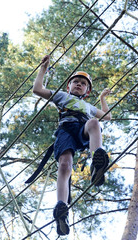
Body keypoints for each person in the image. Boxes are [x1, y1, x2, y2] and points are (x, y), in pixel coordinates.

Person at [32, 55, 112, 236]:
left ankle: (96, 162)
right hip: (66, 131)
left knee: (94, 123)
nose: (78, 85)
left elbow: (107, 116)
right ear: (68, 86)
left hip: (81, 129)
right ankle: (62, 208)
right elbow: (37, 89)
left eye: (83, 84)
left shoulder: (89, 107)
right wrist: (43, 69)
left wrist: (102, 98)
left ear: (87, 91)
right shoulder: (61, 96)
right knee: (65, 164)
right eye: (75, 82)